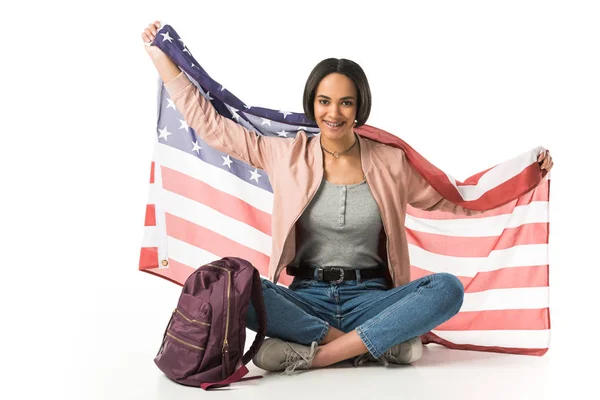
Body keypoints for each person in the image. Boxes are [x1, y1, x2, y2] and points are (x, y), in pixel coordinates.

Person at [141, 21, 554, 375]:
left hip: (372, 299)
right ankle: (378, 347)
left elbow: (455, 198)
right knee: (237, 284)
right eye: (324, 101)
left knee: (447, 289)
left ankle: (315, 357)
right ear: (312, 104)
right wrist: (162, 59)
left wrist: (523, 175)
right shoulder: (284, 153)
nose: (333, 112)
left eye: (345, 102)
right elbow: (212, 127)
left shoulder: (390, 162)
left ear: (359, 108)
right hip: (305, 298)